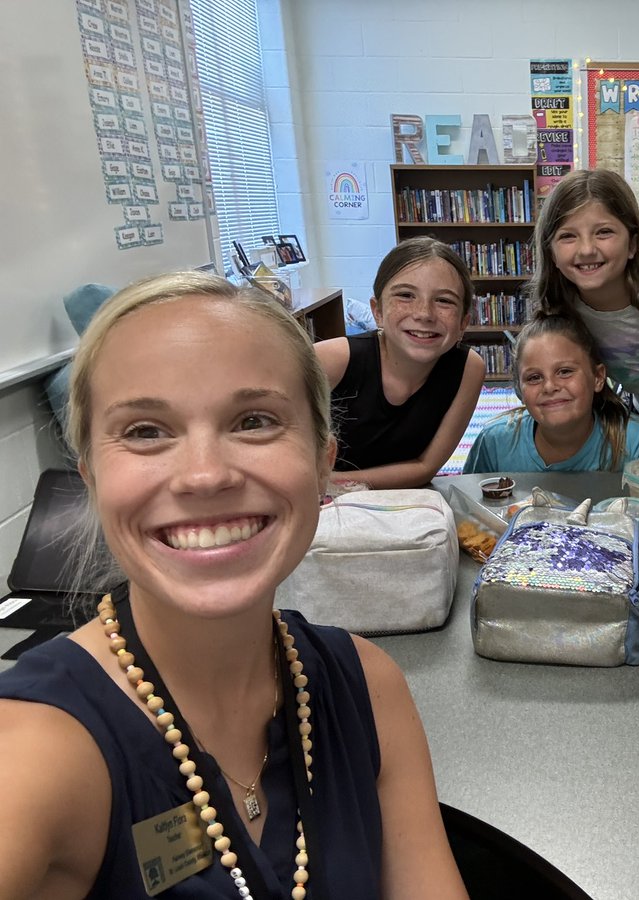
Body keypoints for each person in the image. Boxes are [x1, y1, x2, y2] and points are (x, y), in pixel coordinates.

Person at [0, 272, 469, 897]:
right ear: (90, 476)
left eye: (253, 421)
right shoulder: (34, 749)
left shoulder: (368, 687)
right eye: (145, 431)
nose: (204, 476)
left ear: (324, 463)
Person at [531, 168, 639, 453]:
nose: (586, 249)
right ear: (552, 254)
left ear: (632, 244)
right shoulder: (563, 315)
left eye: (604, 232)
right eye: (568, 236)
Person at [316, 237, 484, 488]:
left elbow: (425, 467)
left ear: (463, 323)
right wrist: (320, 484)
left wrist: (333, 481)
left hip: (401, 500)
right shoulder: (332, 360)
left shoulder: (469, 368)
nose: (424, 314)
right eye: (406, 295)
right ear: (377, 311)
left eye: (444, 301)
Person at [463, 314, 639, 473]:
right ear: (519, 389)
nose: (549, 387)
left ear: (598, 377)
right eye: (534, 377)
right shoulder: (494, 442)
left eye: (565, 372)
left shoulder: (635, 442)